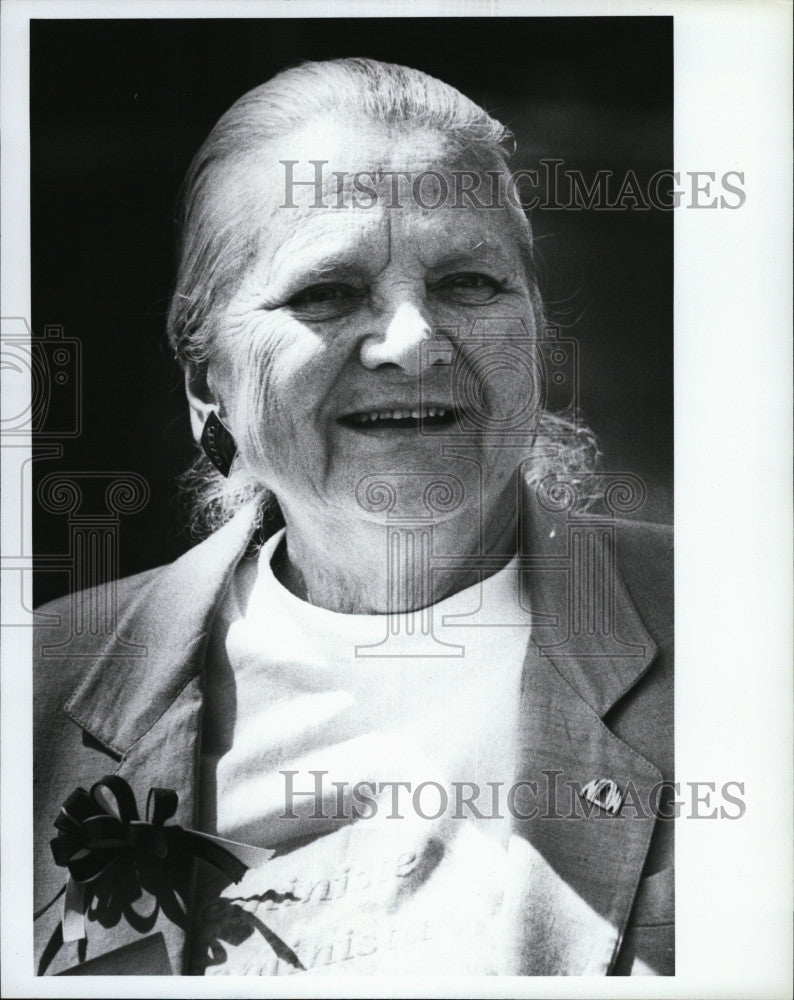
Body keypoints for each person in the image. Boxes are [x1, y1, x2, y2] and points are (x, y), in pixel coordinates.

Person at [33, 58, 673, 977]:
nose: (412, 341)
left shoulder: (744, 641)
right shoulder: (36, 693)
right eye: (326, 292)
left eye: (468, 282)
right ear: (204, 382)